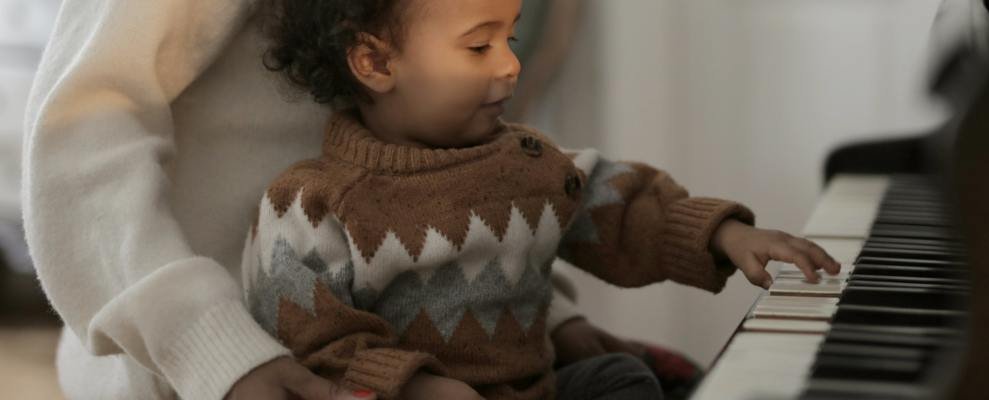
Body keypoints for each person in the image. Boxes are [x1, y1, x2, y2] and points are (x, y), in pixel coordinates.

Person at [19, 0, 744, 398]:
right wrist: (212, 351)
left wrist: (536, 307)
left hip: (423, 356)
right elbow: (80, 134)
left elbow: (428, 158)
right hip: (212, 373)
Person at [234, 0, 841, 399]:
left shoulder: (528, 164)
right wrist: (414, 387)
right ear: (374, 61)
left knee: (624, 380)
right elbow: (314, 345)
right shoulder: (310, 204)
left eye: (511, 36)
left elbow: (622, 209)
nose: (510, 64)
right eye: (479, 47)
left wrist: (723, 235)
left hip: (541, 390)